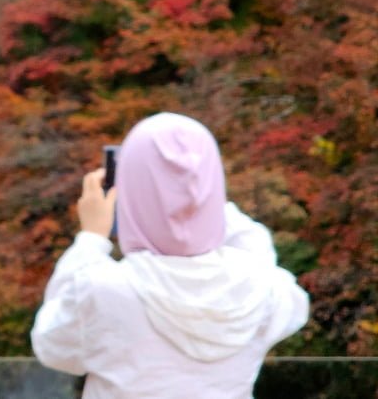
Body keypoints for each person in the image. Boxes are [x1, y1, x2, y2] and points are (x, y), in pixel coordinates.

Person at [31, 112, 309, 398]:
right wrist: (199, 197)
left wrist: (90, 239)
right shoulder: (265, 289)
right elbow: (258, 251)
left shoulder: (101, 290)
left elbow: (52, 347)